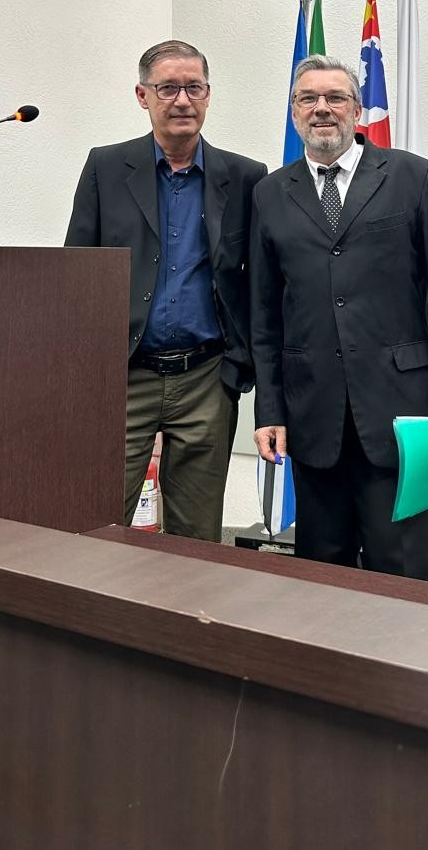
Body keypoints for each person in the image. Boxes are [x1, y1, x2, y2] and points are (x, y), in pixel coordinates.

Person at [250, 54, 428, 581]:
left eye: (335, 98)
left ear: (357, 110)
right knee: (323, 577)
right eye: (308, 99)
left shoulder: (415, 179)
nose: (322, 108)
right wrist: (269, 410)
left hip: (401, 414)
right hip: (313, 417)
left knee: (403, 572)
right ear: (294, 113)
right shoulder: (269, 194)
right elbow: (264, 315)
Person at [66, 39, 267, 541]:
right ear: (143, 96)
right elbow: (76, 274)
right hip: (123, 375)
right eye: (168, 88)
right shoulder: (106, 168)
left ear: (208, 95)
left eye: (193, 88)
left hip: (206, 379)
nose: (182, 100)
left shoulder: (246, 177)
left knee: (196, 539)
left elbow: (257, 281)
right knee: (95, 523)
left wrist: (240, 366)